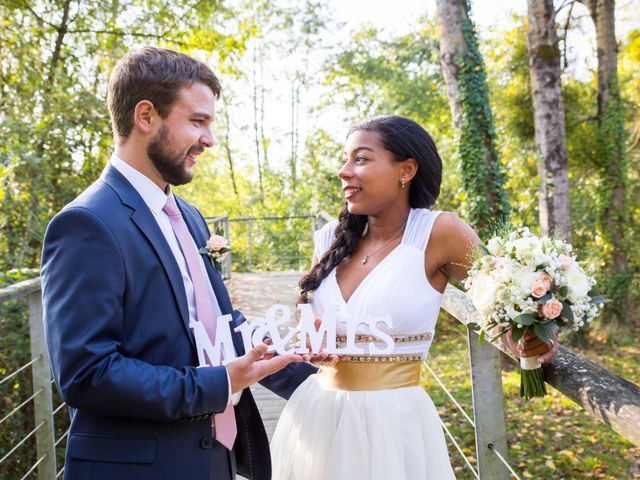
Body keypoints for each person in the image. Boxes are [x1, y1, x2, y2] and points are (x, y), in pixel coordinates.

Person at [40, 47, 317, 480]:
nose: (209, 140)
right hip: (139, 467)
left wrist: (315, 378)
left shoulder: (188, 215)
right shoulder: (86, 224)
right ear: (146, 116)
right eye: (198, 121)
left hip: (214, 455)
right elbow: (87, 373)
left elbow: (222, 321)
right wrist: (219, 384)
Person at [270, 115, 557, 479]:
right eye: (345, 159)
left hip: (393, 423)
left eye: (360, 158)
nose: (343, 171)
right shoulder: (329, 238)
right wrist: (311, 341)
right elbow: (310, 324)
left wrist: (532, 336)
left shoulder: (440, 232)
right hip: (319, 413)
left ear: (406, 170)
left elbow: (505, 298)